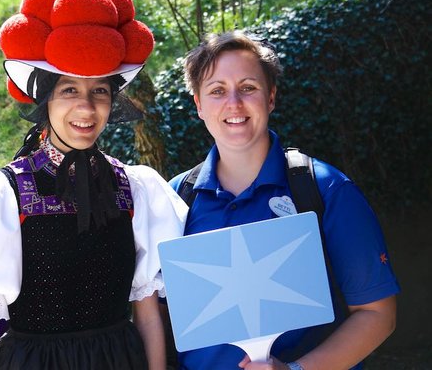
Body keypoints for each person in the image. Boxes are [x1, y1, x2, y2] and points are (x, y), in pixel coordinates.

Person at [0, 0, 188, 370]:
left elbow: (149, 315)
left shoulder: (137, 190)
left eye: (100, 91)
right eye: (70, 89)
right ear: (46, 100)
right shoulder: (3, 198)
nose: (86, 107)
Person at [167, 31, 399, 370]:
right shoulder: (176, 199)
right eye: (217, 91)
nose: (234, 102)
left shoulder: (325, 189)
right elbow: (157, 316)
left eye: (248, 87)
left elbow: (378, 314)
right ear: (199, 105)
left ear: (271, 97)